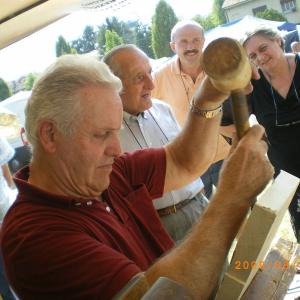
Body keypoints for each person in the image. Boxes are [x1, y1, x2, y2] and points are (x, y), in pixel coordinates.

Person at [0, 54, 273, 300]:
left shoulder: (106, 174)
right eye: (101, 134)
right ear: (50, 135)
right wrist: (232, 196)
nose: (116, 148)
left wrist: (210, 95)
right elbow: (156, 298)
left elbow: (183, 160)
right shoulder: (34, 238)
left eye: (116, 131)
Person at [103, 45, 208, 243]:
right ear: (113, 85)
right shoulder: (104, 134)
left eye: (150, 72)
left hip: (200, 207)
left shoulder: (163, 109)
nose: (151, 84)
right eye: (139, 77)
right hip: (157, 230)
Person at [152, 20, 231, 198]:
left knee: (240, 213)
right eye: (183, 42)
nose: (191, 46)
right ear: (173, 46)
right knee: (202, 219)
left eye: (196, 40)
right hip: (191, 162)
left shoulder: (219, 69)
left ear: (204, 42)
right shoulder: (158, 78)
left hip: (226, 156)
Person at [240, 27, 300, 241]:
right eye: (253, 56)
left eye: (263, 48)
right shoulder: (252, 86)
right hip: (289, 178)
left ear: (279, 41)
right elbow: (230, 123)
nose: (260, 57)